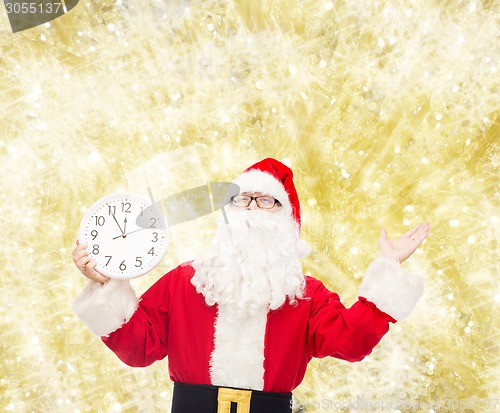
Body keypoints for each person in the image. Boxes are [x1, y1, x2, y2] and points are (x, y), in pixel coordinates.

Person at [72, 158, 430, 413]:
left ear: (287, 220)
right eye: (242, 199)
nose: (252, 209)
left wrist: (388, 270)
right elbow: (140, 348)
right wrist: (106, 284)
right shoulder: (186, 282)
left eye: (266, 201)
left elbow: (350, 343)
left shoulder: (305, 296)